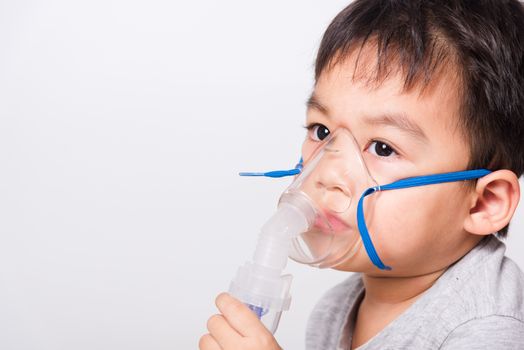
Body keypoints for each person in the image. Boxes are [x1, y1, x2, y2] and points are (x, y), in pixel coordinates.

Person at [199, 1, 524, 349]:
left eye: (383, 148)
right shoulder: (335, 310)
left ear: (484, 204)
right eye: (322, 131)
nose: (327, 173)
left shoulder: (488, 328)